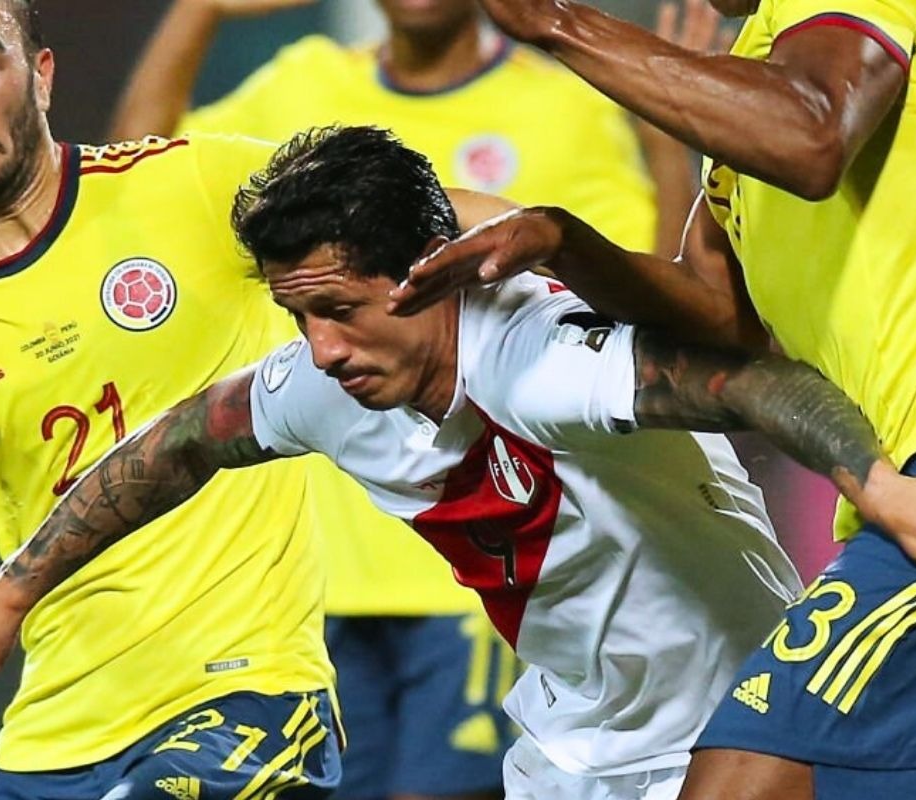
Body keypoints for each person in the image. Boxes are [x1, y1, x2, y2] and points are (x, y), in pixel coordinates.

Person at [0, 126, 916, 800]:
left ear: (433, 273)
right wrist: (9, 589)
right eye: (299, 319)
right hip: (563, 746)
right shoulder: (325, 382)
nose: (324, 352)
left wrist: (878, 484)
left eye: (344, 311)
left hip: (731, 730)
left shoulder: (538, 358)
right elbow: (176, 443)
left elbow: (742, 382)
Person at [387, 0, 916, 795]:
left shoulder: (822, 58)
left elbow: (812, 135)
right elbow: (718, 316)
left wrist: (554, 23)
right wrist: (561, 238)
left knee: (738, 778)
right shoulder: (761, 81)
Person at [109, 2, 719, 796]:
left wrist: (668, 148)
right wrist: (200, 10)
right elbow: (136, 182)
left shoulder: (562, 107)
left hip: (479, 567)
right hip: (320, 581)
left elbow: (645, 295)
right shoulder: (303, 90)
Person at [0, 1, 349, 797]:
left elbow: (411, 216)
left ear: (39, 75)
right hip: (53, 737)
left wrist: (561, 247)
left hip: (241, 691)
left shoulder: (194, 181)